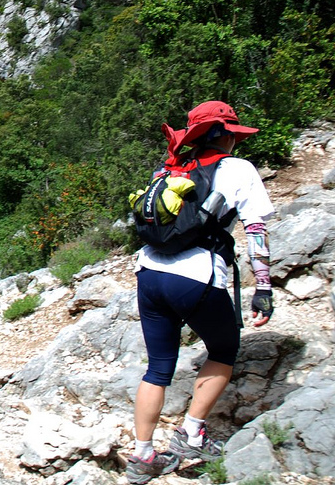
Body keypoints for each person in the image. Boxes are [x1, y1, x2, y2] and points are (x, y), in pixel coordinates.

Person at [126, 101, 275, 484]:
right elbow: (255, 230)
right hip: (195, 274)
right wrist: (264, 287)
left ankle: (143, 457)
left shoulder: (172, 167)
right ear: (226, 135)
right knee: (224, 349)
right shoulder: (238, 169)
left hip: (149, 272)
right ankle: (191, 433)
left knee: (158, 366)